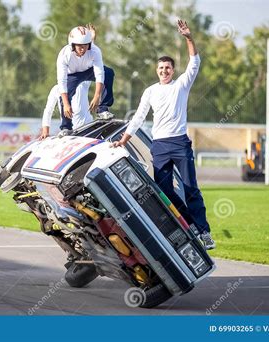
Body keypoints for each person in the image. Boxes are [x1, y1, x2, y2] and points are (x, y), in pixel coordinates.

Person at [112, 20, 215, 250]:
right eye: (160, 68)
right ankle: (190, 223)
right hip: (159, 146)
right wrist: (123, 140)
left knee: (190, 189)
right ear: (156, 71)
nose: (164, 71)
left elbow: (195, 61)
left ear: (173, 70)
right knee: (164, 191)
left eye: (168, 68)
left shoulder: (181, 85)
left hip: (179, 144)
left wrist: (189, 38)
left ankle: (205, 232)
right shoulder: (150, 91)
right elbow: (138, 117)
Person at [57, 25, 114, 131]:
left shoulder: (95, 51)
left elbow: (99, 74)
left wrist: (97, 96)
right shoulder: (64, 55)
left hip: (89, 71)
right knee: (64, 96)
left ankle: (102, 110)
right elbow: (62, 81)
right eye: (79, 46)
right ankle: (66, 126)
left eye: (86, 45)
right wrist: (66, 104)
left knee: (109, 73)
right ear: (72, 45)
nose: (83, 49)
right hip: (72, 75)